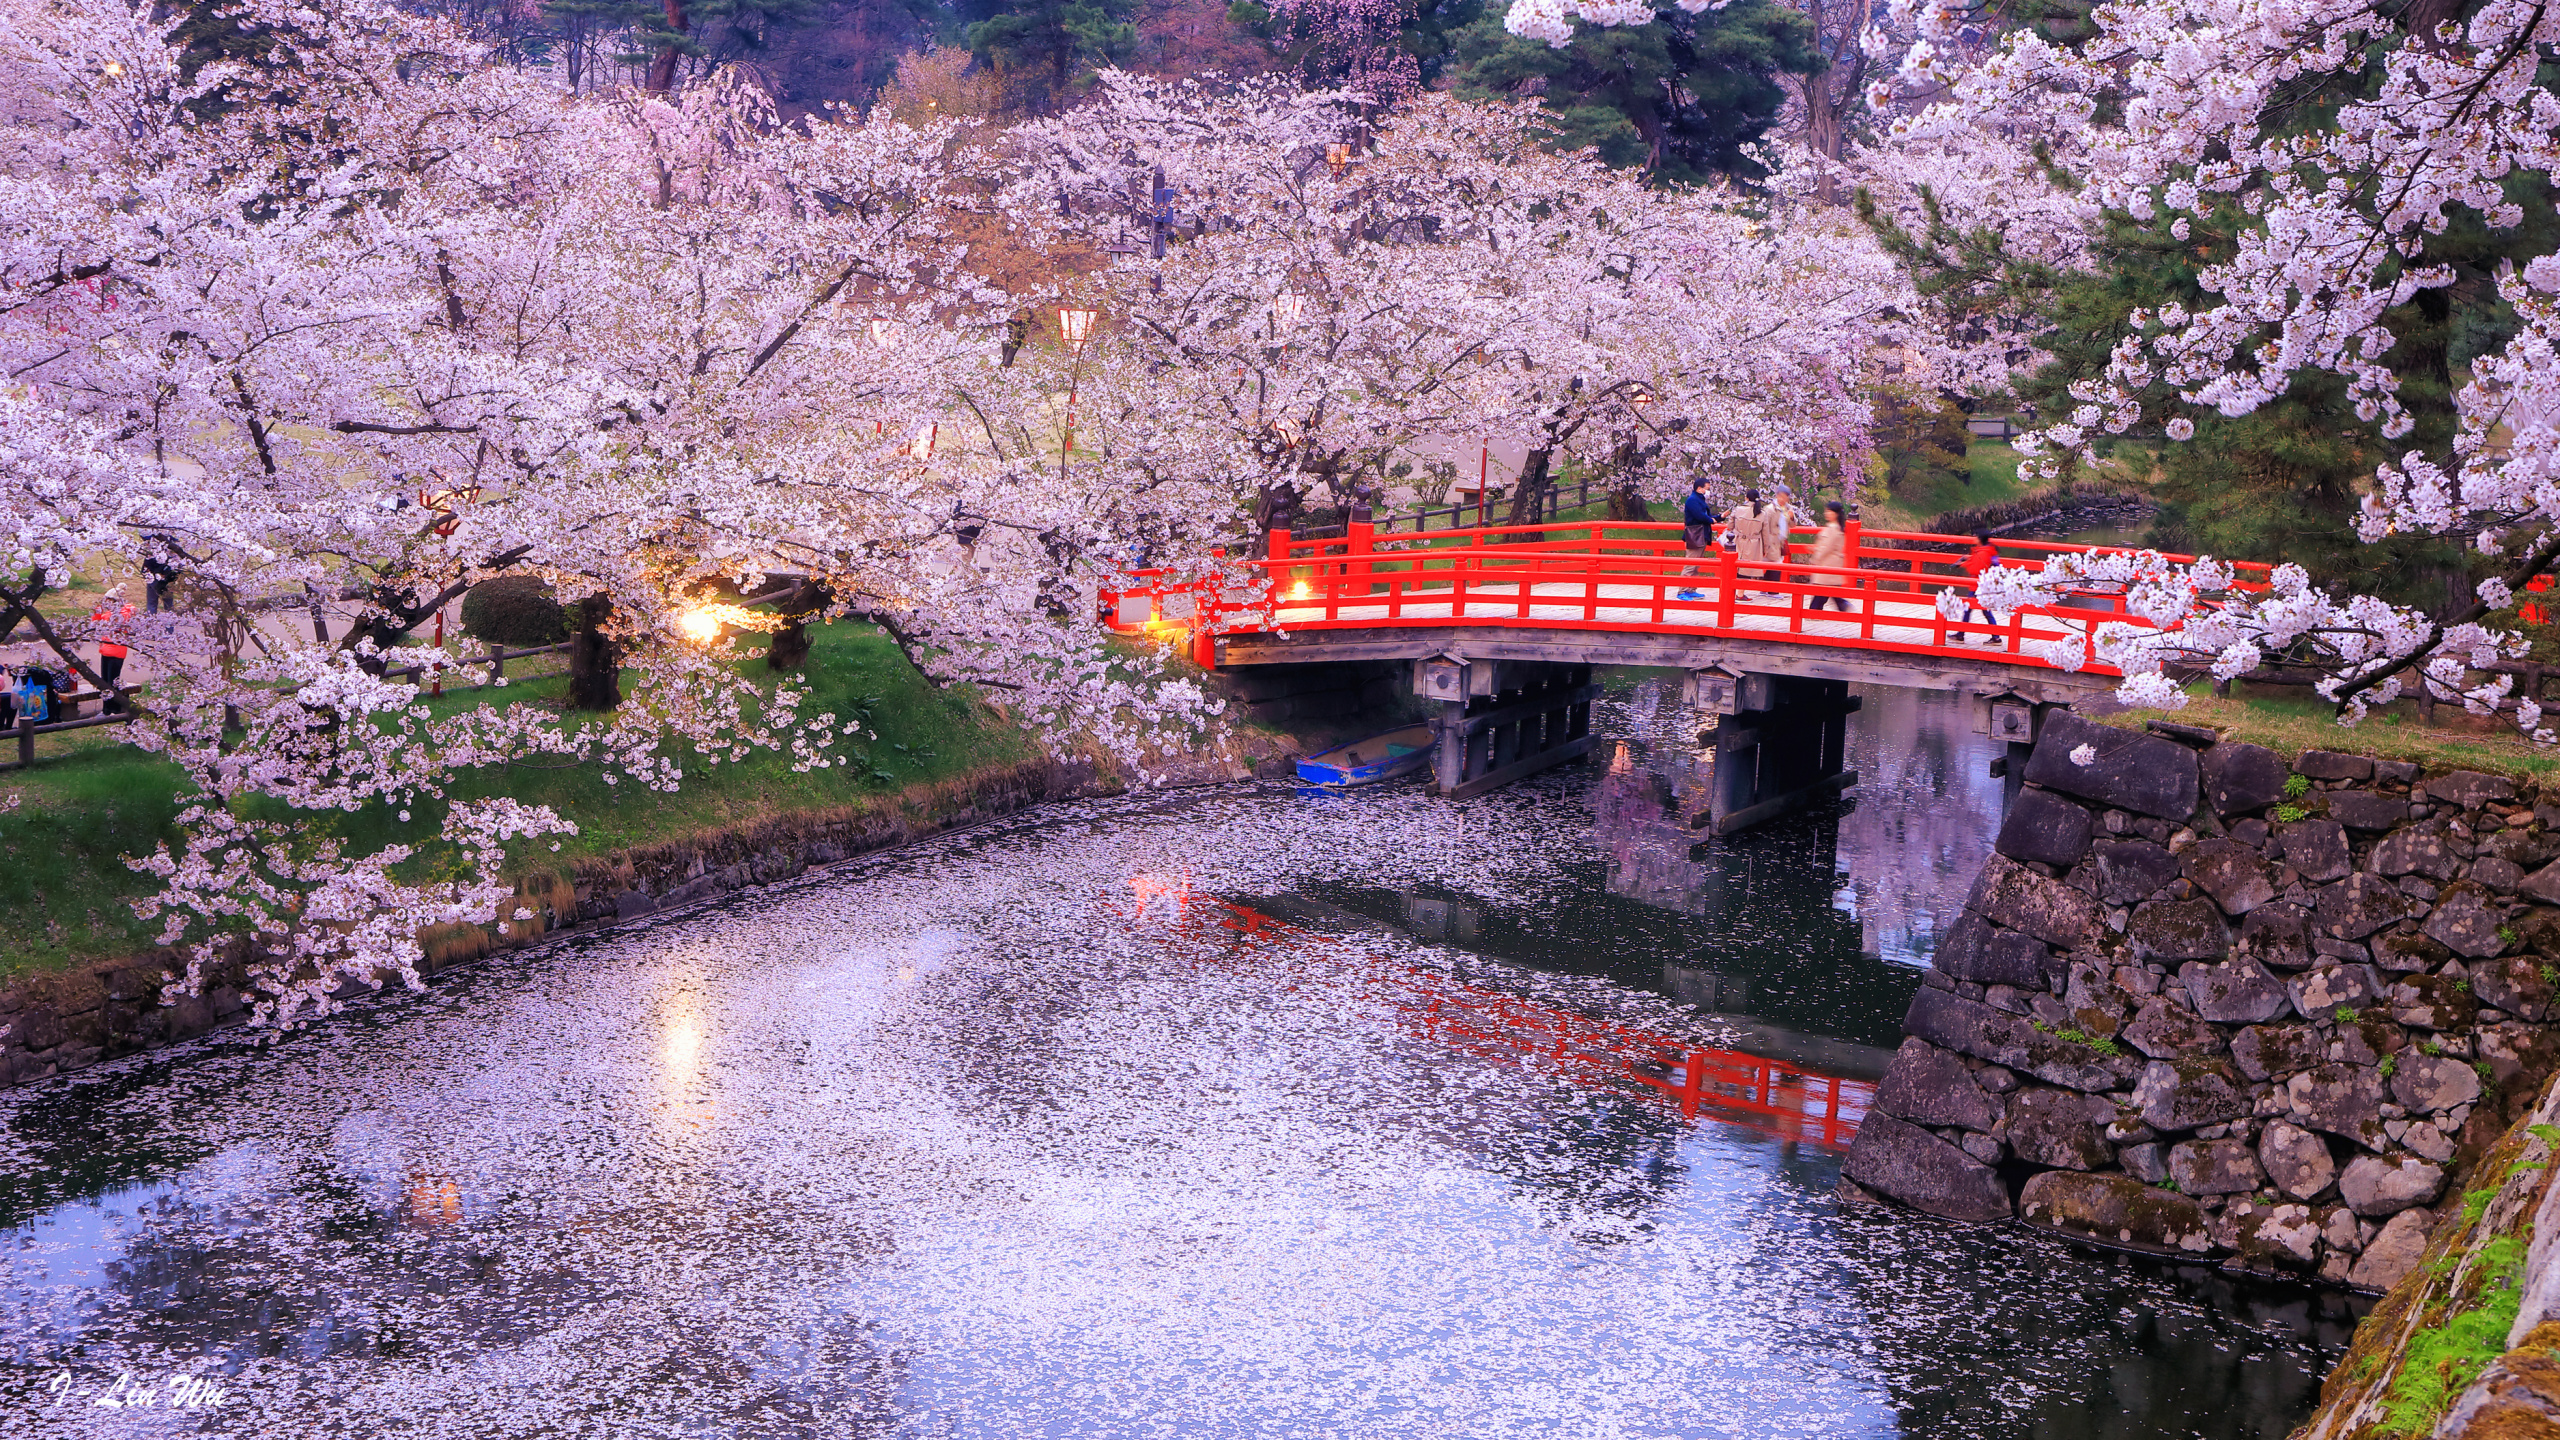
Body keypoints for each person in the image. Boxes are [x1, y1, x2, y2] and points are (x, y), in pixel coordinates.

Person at [1952, 528, 2001, 643]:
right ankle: (1994, 636)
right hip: (1982, 585)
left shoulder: (1982, 552)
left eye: (1975, 536)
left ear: (1979, 539)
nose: (1973, 538)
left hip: (1979, 586)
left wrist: (1963, 565)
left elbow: (1976, 568)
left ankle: (1995, 636)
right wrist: (1964, 562)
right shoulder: (1986, 550)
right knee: (1979, 609)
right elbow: (1976, 561)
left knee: (1978, 609)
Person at [92, 585, 135, 712]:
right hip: (106, 649)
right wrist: (97, 612)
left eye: (109, 600)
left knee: (112, 683)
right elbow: (96, 622)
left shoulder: (123, 614)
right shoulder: (109, 613)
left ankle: (112, 709)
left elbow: (113, 621)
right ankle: (107, 709)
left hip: (116, 651)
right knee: (105, 681)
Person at [1805, 501, 1854, 612]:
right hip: (1830, 564)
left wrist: (1816, 557)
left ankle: (1813, 613)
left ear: (1836, 514)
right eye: (1827, 511)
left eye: (1829, 511)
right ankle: (1843, 607)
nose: (1827, 513)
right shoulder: (1835, 527)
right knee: (1830, 592)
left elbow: (1827, 548)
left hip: (1828, 564)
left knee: (1823, 591)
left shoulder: (1833, 529)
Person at [1676, 477, 1717, 601]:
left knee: (1696, 564)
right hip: (1695, 534)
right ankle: (1682, 590)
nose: (1707, 491)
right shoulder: (1692, 500)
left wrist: (1719, 517)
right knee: (1690, 563)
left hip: (1701, 534)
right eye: (1706, 489)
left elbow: (1706, 516)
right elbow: (1700, 516)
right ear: (1699, 488)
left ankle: (1691, 588)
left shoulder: (1699, 499)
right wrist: (1711, 520)